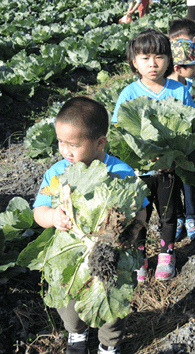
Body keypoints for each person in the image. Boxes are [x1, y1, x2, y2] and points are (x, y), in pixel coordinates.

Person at [32, 96, 145, 354]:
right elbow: (39, 211)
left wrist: (135, 229)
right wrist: (53, 218)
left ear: (99, 142)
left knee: (112, 302)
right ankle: (76, 334)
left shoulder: (120, 171)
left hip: (111, 251)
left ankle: (109, 344)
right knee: (68, 303)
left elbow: (140, 207)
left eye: (73, 145)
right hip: (72, 254)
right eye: (61, 142)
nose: (65, 151)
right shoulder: (56, 174)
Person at [112, 29, 195, 282]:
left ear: (169, 60)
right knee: (139, 217)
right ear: (134, 62)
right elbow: (119, 133)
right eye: (145, 58)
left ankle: (166, 254)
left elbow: (192, 124)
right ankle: (140, 259)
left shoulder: (178, 90)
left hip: (167, 170)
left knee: (168, 213)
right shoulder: (129, 94)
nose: (153, 64)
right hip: (138, 172)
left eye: (159, 57)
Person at [167, 18, 195, 238]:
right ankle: (177, 219)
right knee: (172, 185)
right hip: (168, 149)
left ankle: (191, 217)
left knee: (189, 182)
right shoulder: (169, 88)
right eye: (194, 65)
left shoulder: (185, 85)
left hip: (186, 145)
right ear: (179, 67)